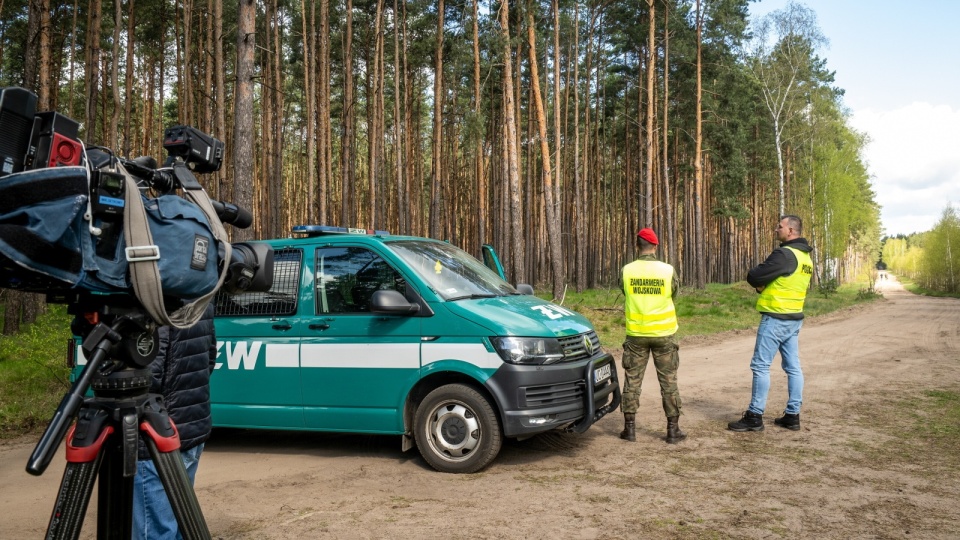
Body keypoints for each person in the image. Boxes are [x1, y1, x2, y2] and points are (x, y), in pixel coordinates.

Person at [133, 303, 217, 540]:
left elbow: (147, 374)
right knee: (180, 520)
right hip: (192, 427)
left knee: (156, 531)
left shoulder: (156, 302)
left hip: (157, 435)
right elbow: (210, 356)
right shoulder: (202, 295)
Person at [728, 215, 813, 432]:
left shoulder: (784, 254)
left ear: (791, 231)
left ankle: (755, 416)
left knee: (760, 365)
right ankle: (793, 415)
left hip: (776, 317)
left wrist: (760, 285)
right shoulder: (805, 258)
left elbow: (754, 276)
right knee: (793, 367)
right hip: (794, 319)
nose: (776, 229)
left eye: (780, 227)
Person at [619, 227, 686, 444]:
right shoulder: (667, 270)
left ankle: (629, 430)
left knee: (632, 381)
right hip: (664, 334)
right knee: (669, 382)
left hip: (636, 333)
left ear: (637, 246)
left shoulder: (627, 270)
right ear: (655, 246)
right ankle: (673, 430)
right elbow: (674, 293)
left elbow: (624, 291)